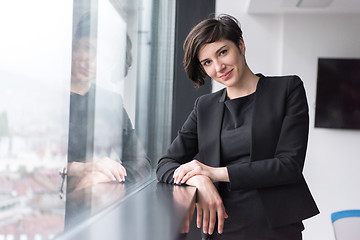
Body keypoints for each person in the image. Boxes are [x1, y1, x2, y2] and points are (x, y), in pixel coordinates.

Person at [156, 14, 319, 240]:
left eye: (222, 52)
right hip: (221, 228)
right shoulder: (205, 107)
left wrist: (215, 173)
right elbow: (165, 164)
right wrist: (199, 179)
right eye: (207, 62)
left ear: (240, 45)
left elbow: (289, 166)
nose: (219, 66)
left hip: (276, 229)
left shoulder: (287, 89)